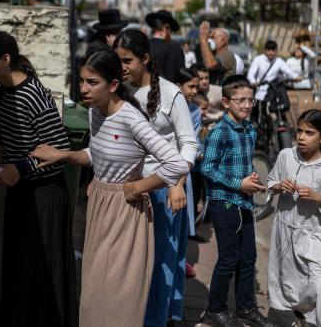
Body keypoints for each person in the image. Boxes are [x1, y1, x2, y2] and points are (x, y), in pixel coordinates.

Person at [30, 49, 189, 327]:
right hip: (99, 209)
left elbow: (176, 164)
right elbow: (94, 154)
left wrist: (138, 187)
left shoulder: (131, 119)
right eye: (81, 81)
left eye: (92, 82)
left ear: (113, 85)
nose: (83, 89)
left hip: (126, 213)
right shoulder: (95, 113)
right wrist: (64, 154)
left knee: (119, 297)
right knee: (93, 292)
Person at [0, 31, 77, 327]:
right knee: (21, 272)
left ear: (4, 60)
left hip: (45, 196)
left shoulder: (32, 94)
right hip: (23, 195)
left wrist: (20, 168)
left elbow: (59, 148)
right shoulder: (4, 91)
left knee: (41, 277)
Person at [113, 30, 198, 327]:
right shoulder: (118, 91)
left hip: (163, 187)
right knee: (136, 262)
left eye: (127, 60)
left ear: (145, 59)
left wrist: (176, 182)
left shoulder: (171, 93)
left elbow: (188, 144)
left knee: (163, 258)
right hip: (131, 188)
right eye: (118, 60)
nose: (122, 67)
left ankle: (159, 319)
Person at [200, 75, 274, 327]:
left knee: (248, 258)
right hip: (224, 203)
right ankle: (215, 309)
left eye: (250, 100)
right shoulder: (219, 131)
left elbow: (244, 163)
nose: (246, 105)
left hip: (244, 203)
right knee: (229, 258)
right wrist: (238, 184)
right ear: (225, 102)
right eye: (240, 100)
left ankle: (246, 308)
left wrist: (250, 176)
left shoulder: (249, 129)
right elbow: (207, 168)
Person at [266, 109, 321, 327]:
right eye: (299, 131)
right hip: (286, 236)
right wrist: (279, 186)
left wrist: (319, 198)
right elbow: (270, 182)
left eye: (309, 133)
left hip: (318, 238)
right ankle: (301, 314)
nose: (301, 137)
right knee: (292, 287)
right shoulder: (285, 156)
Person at [174, 67, 204, 278]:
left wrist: (195, 153)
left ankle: (179, 260)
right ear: (178, 86)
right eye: (190, 86)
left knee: (182, 220)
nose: (195, 90)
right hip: (166, 169)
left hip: (185, 171)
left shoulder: (195, 111)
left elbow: (193, 143)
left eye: (197, 86)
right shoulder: (167, 106)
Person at [146, 10, 185, 83]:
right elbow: (182, 75)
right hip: (172, 93)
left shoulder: (144, 46)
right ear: (166, 28)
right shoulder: (175, 48)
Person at [198, 20, 237, 85]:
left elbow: (210, 65)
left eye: (213, 37)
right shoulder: (211, 54)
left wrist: (203, 39)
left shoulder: (228, 55)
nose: (209, 40)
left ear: (223, 41)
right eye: (209, 37)